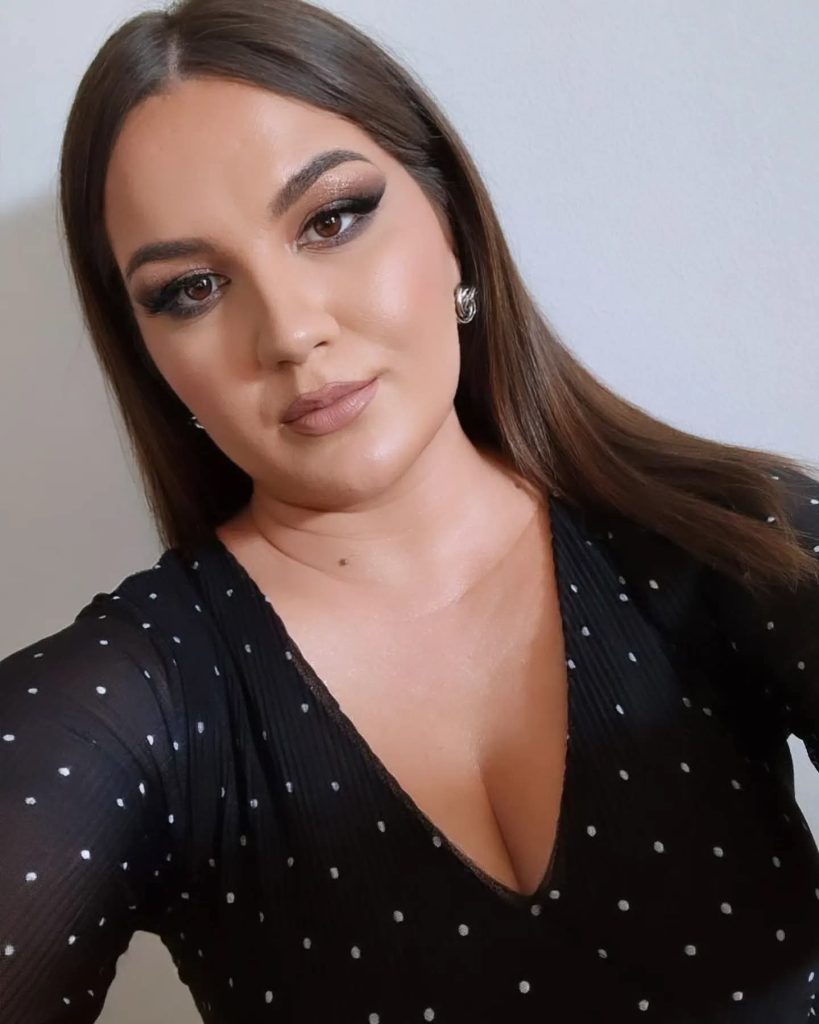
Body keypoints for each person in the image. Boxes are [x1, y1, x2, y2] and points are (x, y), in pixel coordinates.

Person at [2, 0, 818, 1020]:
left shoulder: (741, 541)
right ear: (151, 356)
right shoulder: (130, 701)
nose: (290, 332)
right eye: (195, 288)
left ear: (453, 228)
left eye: (331, 220)